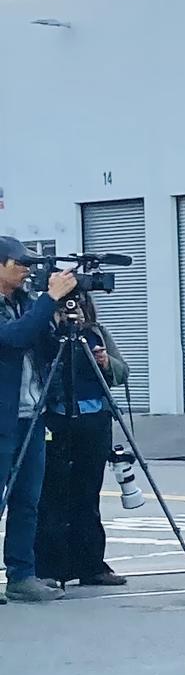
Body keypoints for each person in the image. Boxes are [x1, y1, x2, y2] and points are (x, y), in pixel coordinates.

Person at [32, 288, 130, 590]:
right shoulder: (45, 334)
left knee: (88, 495)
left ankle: (91, 565)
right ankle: (50, 568)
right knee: (52, 496)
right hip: (55, 420)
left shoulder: (97, 334)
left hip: (94, 421)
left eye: (79, 303)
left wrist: (104, 363)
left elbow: (122, 372)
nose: (74, 310)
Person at [0, 238, 77, 604]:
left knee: (28, 500)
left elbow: (42, 343)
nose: (27, 270)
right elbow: (13, 338)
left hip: (31, 415)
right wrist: (48, 300)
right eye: (20, 263)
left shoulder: (25, 304)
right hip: (3, 418)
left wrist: (61, 320)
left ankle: (21, 575)